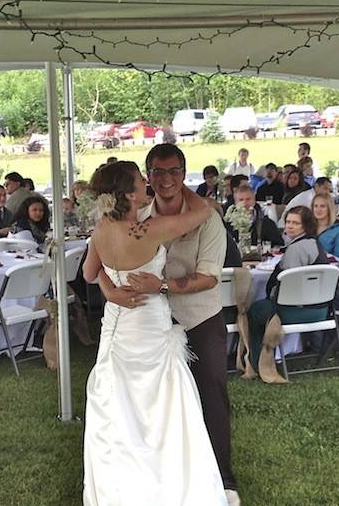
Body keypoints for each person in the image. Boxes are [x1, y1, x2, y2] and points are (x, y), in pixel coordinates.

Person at [81, 159, 227, 505]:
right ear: (129, 195)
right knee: (163, 406)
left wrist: (111, 288)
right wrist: (177, 184)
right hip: (149, 326)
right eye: (141, 181)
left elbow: (89, 272)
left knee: (120, 406)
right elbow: (204, 211)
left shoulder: (101, 229)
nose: (149, 183)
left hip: (118, 327)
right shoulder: (152, 230)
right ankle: (169, 482)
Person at [247, 206, 329, 368]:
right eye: (288, 222)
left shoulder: (296, 249)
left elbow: (289, 287)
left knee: (255, 310)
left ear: (305, 226)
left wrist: (271, 296)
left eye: (295, 223)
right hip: (321, 310)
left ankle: (256, 361)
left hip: (295, 311)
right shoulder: (315, 243)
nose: (290, 226)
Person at [313, 192, 339, 260]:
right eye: (315, 206)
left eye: (322, 206)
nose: (318, 210)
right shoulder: (307, 226)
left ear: (329, 208)